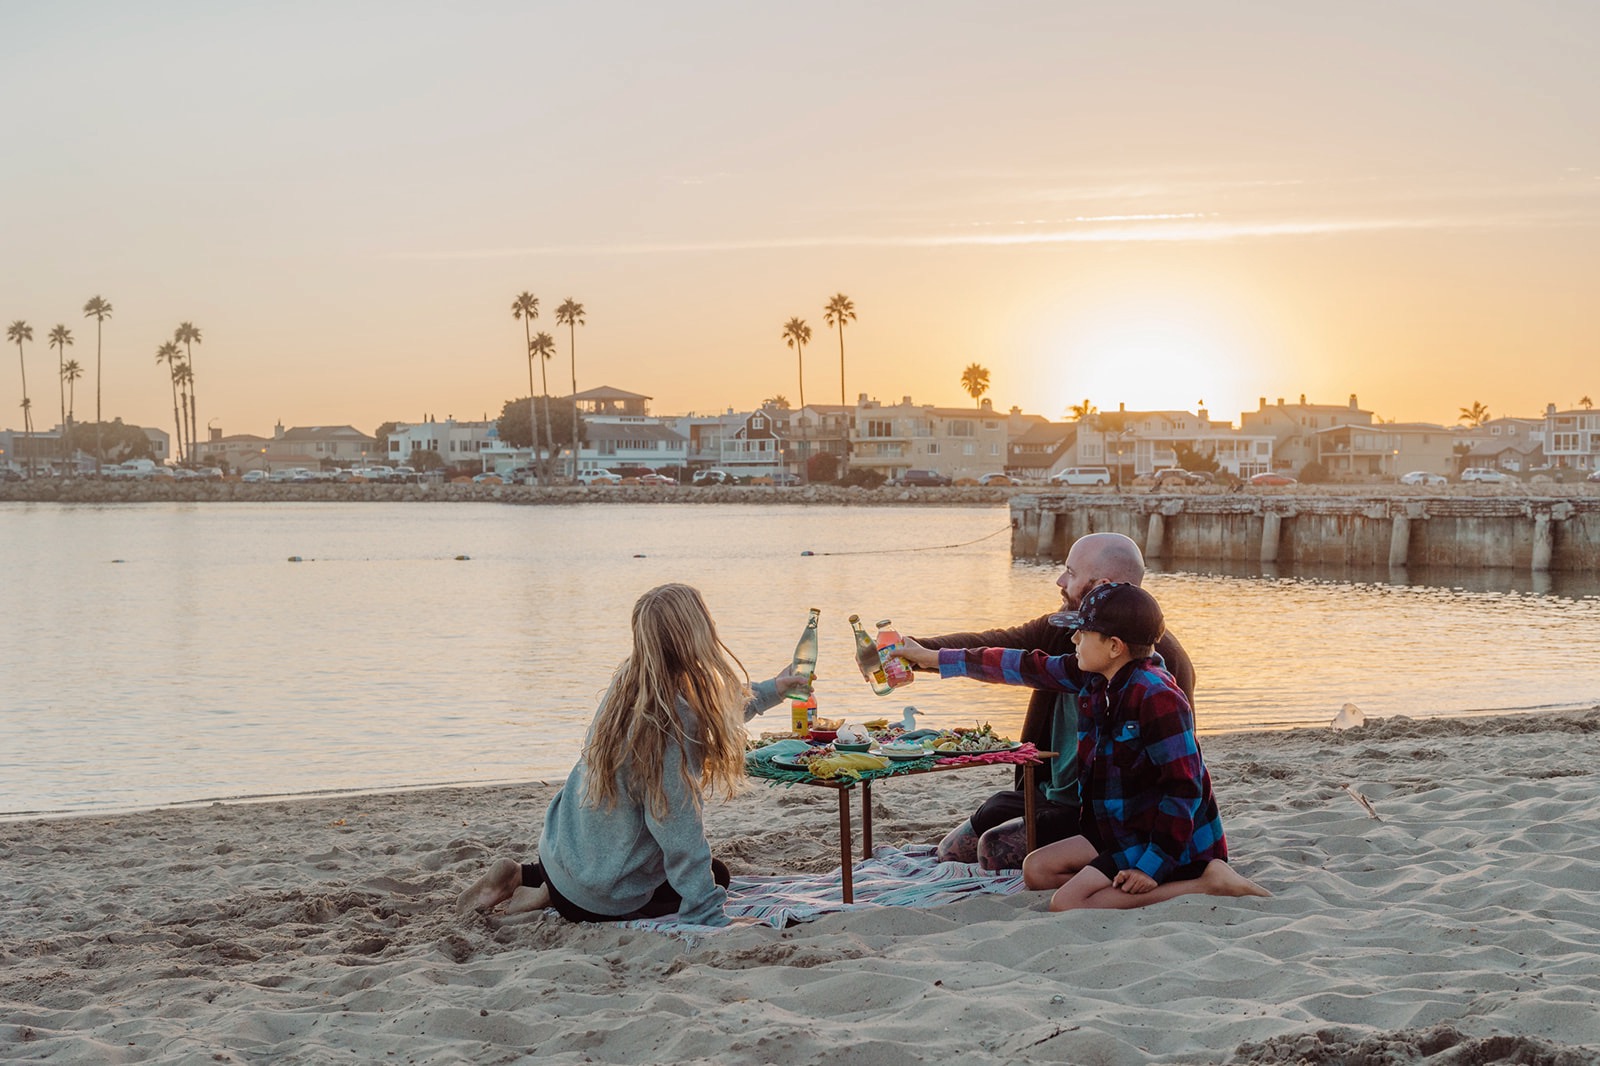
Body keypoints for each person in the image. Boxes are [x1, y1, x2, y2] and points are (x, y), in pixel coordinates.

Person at [456, 583, 810, 927]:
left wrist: (772, 691)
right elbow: (679, 832)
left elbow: (713, 708)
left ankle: (526, 878)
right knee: (716, 875)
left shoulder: (631, 684)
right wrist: (706, 912)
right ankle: (551, 896)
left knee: (656, 859)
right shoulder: (669, 725)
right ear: (694, 636)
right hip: (595, 898)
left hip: (560, 855)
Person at [900, 582, 1268, 910]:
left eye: (1082, 634)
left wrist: (1150, 866)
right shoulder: (1094, 677)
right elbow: (1023, 665)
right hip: (1115, 832)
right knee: (1036, 869)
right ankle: (1121, 886)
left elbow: (1183, 789)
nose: (1073, 641)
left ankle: (1207, 883)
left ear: (1113, 646)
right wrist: (932, 658)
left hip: (1162, 841)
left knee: (1067, 902)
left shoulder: (1158, 695)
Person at [909, 532, 1194, 871]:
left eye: (1071, 573)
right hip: (1048, 793)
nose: (1060, 580)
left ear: (1099, 585)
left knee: (993, 849)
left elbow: (1178, 780)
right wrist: (916, 653)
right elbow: (1004, 652)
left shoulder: (1158, 671)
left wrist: (1150, 863)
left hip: (1112, 814)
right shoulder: (1070, 634)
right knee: (952, 850)